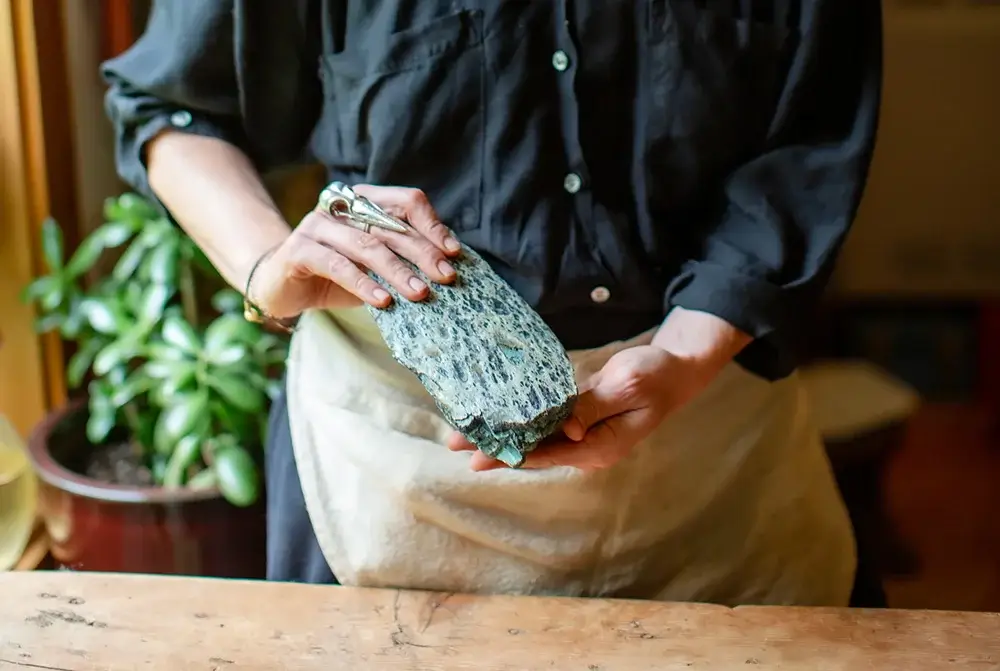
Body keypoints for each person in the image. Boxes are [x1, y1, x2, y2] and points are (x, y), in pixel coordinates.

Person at [102, 0, 883, 606]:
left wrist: (683, 357)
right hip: (393, 458)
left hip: (706, 434)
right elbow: (173, 106)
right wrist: (265, 264)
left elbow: (813, 132)